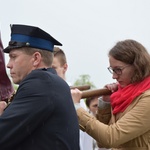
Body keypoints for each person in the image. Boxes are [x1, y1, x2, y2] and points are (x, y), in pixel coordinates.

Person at [0, 24, 80, 150]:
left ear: (36, 58)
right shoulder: (52, 82)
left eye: (14, 57)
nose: (9, 65)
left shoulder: (39, 83)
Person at [71, 39, 150, 150]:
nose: (114, 76)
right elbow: (101, 142)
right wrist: (105, 104)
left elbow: (110, 138)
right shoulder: (123, 96)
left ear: (137, 66)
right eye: (112, 70)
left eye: (118, 70)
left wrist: (77, 107)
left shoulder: (147, 99)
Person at [52, 47, 94, 150]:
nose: (49, 73)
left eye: (53, 69)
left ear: (65, 67)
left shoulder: (77, 100)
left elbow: (84, 141)